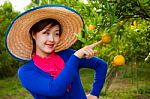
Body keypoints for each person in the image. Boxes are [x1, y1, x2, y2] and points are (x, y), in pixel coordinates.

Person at [5, 5, 107, 99]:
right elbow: (55, 90)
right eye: (46, 33)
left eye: (56, 34)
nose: (52, 39)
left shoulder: (67, 55)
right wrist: (76, 57)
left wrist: (94, 94)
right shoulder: (26, 72)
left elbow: (101, 65)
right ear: (33, 34)